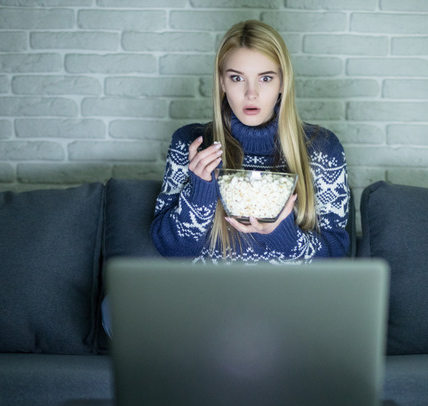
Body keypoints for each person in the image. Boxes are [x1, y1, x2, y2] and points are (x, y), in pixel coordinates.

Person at [150, 20, 350, 263]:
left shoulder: (322, 149)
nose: (251, 93)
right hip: (208, 295)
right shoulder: (191, 143)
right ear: (222, 82)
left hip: (289, 297)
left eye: (265, 79)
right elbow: (170, 250)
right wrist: (199, 192)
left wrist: (280, 233)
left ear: (282, 83)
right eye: (237, 78)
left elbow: (336, 256)